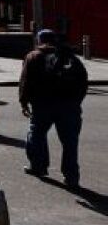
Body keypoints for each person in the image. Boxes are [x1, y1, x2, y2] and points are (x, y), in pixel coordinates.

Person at [19, 29, 88, 190]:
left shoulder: (33, 57)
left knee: (36, 134)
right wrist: (75, 102)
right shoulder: (69, 57)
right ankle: (71, 177)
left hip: (43, 105)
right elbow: (83, 82)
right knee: (70, 142)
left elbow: (25, 82)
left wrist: (24, 102)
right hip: (69, 107)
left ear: (39, 40)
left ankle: (39, 166)